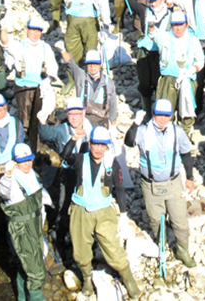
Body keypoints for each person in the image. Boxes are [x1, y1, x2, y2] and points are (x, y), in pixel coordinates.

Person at [62, 126, 141, 298]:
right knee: (81, 250)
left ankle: (129, 280)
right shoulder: (80, 159)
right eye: (95, 144)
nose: (98, 149)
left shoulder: (113, 163)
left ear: (107, 147)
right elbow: (65, 155)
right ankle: (87, 280)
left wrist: (123, 215)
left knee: (113, 248)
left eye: (102, 145)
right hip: (80, 210)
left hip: (104, 211)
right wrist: (74, 138)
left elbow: (120, 189)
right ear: (89, 144)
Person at [124, 99, 197, 269]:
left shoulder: (177, 132)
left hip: (173, 183)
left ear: (171, 116)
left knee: (180, 220)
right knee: (156, 219)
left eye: (166, 115)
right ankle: (161, 244)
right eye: (159, 115)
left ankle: (182, 250)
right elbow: (128, 142)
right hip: (150, 185)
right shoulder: (143, 131)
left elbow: (186, 154)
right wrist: (135, 124)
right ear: (153, 114)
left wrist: (190, 177)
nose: (162, 119)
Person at [38, 97, 94, 261]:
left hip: (85, 173)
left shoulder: (90, 128)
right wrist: (41, 122)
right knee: (64, 205)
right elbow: (47, 134)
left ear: (83, 113)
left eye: (77, 114)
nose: (74, 118)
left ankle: (82, 236)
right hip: (68, 173)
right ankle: (60, 236)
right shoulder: (62, 129)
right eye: (71, 114)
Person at [0, 143, 52, 301]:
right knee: (36, 271)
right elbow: (4, 193)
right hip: (21, 228)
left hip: (35, 224)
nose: (27, 163)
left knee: (28, 262)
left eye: (29, 160)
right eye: (23, 161)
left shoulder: (32, 173)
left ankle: (22, 297)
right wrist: (7, 175)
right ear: (15, 162)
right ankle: (36, 298)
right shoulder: (9, 179)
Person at [1, 17, 58, 151]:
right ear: (27, 30)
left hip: (40, 89)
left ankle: (36, 148)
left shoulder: (46, 47)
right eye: (32, 30)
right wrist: (3, 27)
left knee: (39, 119)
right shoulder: (19, 46)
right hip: (23, 89)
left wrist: (48, 81)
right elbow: (5, 42)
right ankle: (23, 145)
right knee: (24, 119)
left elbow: (53, 67)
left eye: (38, 31)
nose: (35, 34)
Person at [151, 10, 205, 137]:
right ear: (171, 25)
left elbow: (201, 60)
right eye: (175, 25)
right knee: (164, 108)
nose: (178, 28)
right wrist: (151, 25)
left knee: (187, 110)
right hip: (168, 79)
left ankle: (183, 135)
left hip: (188, 80)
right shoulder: (164, 37)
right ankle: (164, 135)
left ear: (186, 25)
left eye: (181, 24)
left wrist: (192, 70)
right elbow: (153, 34)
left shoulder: (193, 40)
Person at [51, 0, 112, 66]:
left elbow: (104, 6)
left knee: (91, 50)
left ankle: (91, 77)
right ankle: (72, 78)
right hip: (72, 21)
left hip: (90, 21)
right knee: (71, 47)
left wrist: (106, 25)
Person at [125, 0, 172, 118]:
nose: (153, 3)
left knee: (159, 83)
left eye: (155, 0)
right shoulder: (145, 11)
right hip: (144, 52)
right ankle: (147, 111)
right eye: (150, 1)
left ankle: (158, 110)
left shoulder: (171, 15)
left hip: (161, 54)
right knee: (144, 83)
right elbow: (131, 3)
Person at [57, 45, 118, 128]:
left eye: (95, 64)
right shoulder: (80, 76)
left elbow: (113, 103)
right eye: (89, 64)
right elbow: (70, 64)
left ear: (100, 65)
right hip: (82, 120)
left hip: (101, 121)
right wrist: (63, 50)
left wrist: (113, 121)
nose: (92, 67)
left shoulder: (109, 82)